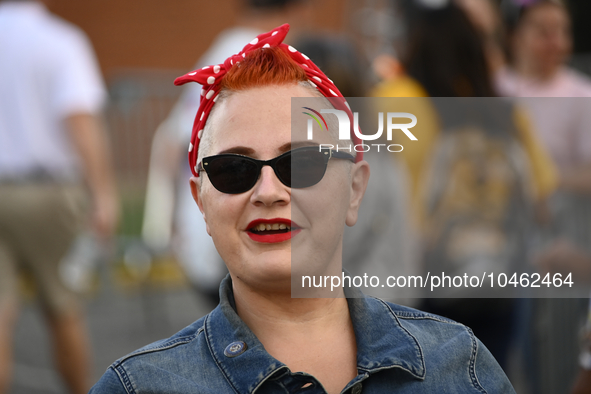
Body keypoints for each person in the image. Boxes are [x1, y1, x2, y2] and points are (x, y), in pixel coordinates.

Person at [90, 24, 514, 393]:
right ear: (201, 201)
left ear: (354, 190)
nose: (268, 191)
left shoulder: (460, 366)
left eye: (302, 163)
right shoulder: (141, 386)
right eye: (235, 170)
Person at [142, 0, 312, 306]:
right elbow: (173, 142)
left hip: (211, 232)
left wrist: (165, 221)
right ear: (295, 10)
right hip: (235, 239)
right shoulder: (259, 58)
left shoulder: (226, 50)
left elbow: (170, 141)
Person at [0, 1, 119, 393]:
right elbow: (79, 119)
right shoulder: (60, 41)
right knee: (63, 307)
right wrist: (102, 193)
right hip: (48, 193)